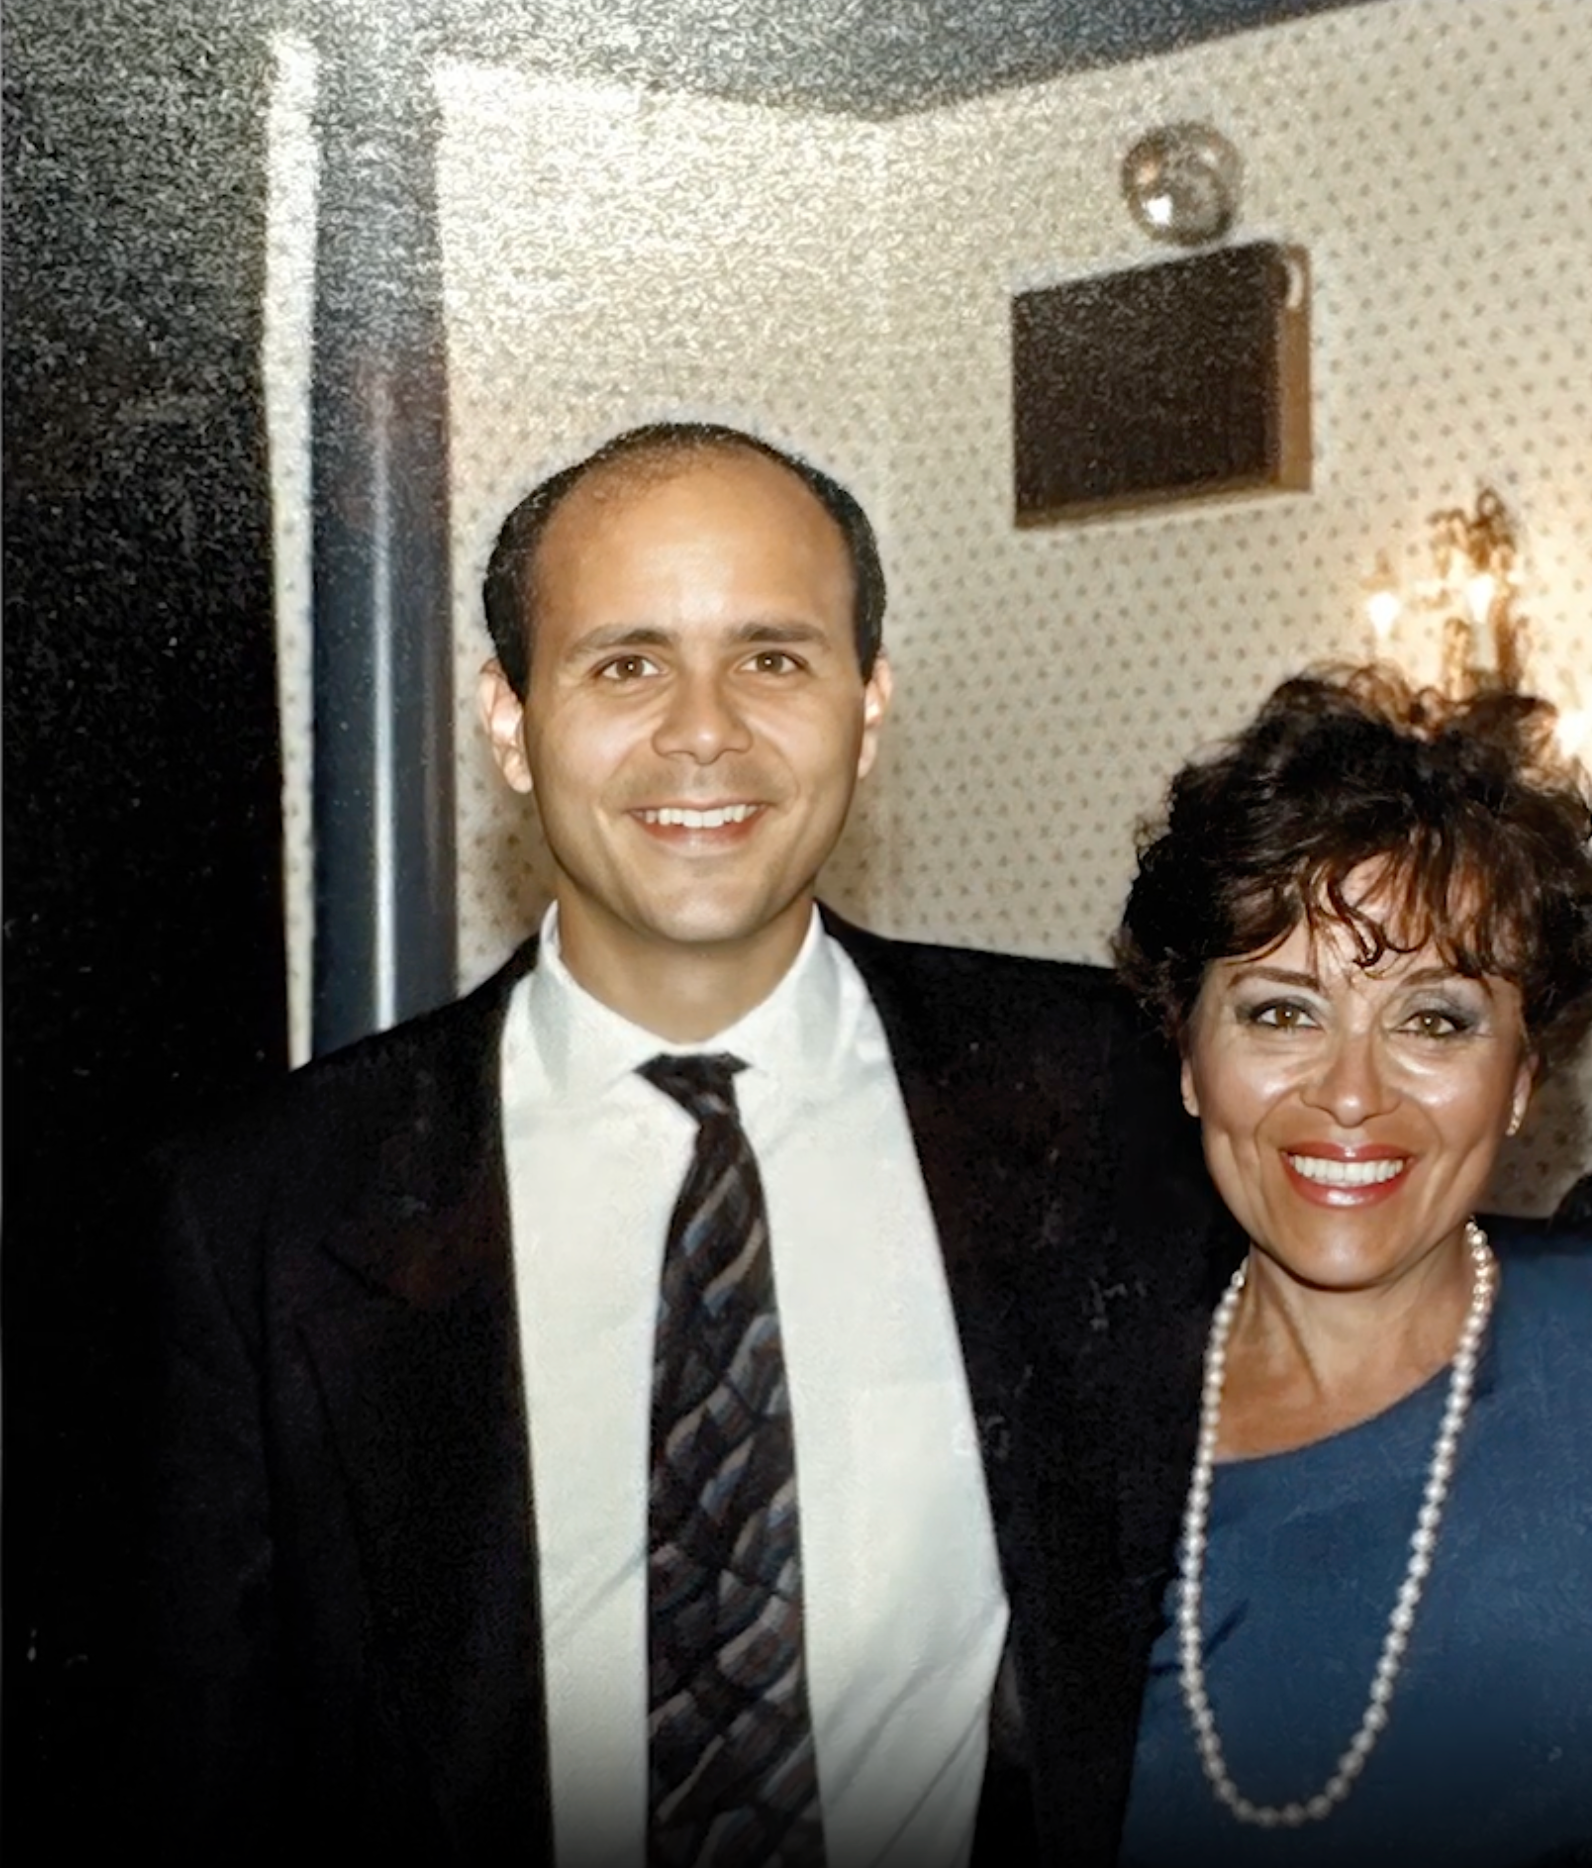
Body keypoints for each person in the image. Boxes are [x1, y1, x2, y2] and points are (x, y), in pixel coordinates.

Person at [136, 422, 1218, 1868]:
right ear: (510, 722)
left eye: (772, 658)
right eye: (624, 663)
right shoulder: (264, 1210)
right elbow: (196, 1772)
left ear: (868, 705)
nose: (702, 730)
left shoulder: (1117, 1092)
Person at [1111, 666, 1592, 1868]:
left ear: (1520, 1079)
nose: (1350, 1093)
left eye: (1434, 1019)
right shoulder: (1075, 1432)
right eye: (1280, 1012)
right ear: (1188, 1056)